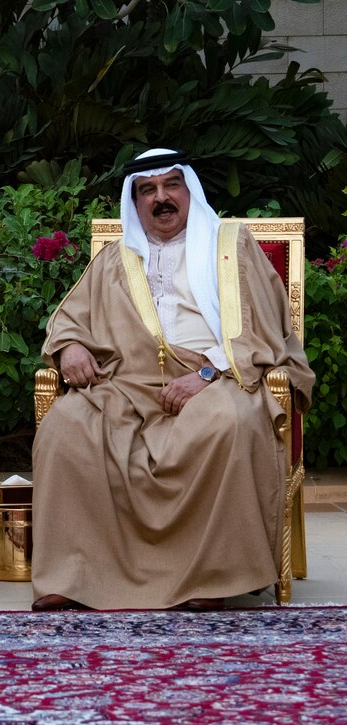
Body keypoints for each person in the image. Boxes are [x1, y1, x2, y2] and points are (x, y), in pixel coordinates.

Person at [30, 147, 315, 612]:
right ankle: (75, 573)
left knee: (230, 423)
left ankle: (212, 576)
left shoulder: (231, 246)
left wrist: (206, 373)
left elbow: (266, 328)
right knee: (67, 424)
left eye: (171, 186)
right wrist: (70, 348)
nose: (161, 198)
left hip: (218, 376)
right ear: (135, 200)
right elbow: (70, 320)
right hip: (126, 383)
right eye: (148, 190)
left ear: (188, 190)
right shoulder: (116, 260)